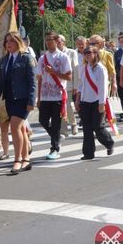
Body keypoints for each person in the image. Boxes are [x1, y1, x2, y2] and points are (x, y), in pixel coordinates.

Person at [0, 31, 36, 174]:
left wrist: (31, 100)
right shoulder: (4, 60)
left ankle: (17, 160)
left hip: (22, 99)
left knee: (15, 127)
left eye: (11, 41)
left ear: (18, 42)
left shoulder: (26, 58)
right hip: (9, 99)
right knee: (21, 129)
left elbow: (32, 82)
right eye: (6, 41)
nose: (8, 44)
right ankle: (26, 159)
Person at [36, 31, 72, 160]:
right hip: (45, 95)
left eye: (50, 39)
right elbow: (39, 78)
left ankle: (55, 148)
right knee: (43, 120)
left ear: (57, 41)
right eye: (46, 39)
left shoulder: (63, 57)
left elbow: (68, 76)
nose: (48, 42)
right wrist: (38, 97)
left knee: (56, 123)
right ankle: (56, 137)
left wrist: (54, 72)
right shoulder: (42, 58)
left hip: (58, 95)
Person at [75, 44, 114, 160]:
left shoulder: (101, 69)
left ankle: (109, 143)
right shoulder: (83, 68)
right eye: (85, 53)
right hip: (85, 101)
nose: (87, 55)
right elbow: (80, 85)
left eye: (89, 53)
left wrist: (102, 103)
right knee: (87, 128)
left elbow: (103, 88)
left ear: (95, 54)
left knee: (98, 127)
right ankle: (88, 153)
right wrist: (78, 100)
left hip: (97, 101)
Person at [57, 34, 79, 137]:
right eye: (56, 42)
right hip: (58, 85)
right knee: (61, 107)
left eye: (59, 42)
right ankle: (63, 129)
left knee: (68, 106)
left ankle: (73, 124)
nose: (57, 44)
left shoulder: (71, 52)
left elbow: (75, 69)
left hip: (69, 85)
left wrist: (76, 86)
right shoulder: (54, 54)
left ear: (63, 42)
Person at [114, 35, 123, 121]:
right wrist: (121, 76)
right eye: (122, 41)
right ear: (119, 42)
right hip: (120, 77)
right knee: (122, 97)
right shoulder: (117, 53)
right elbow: (116, 66)